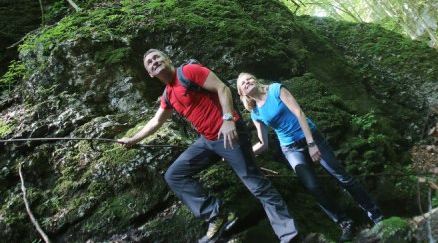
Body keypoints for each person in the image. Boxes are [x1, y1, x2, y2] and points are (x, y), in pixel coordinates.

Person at [118, 50, 298, 243]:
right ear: (150, 74)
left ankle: (289, 236)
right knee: (174, 175)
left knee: (257, 185)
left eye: (157, 58)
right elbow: (156, 121)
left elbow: (222, 88)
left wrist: (228, 118)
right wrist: (132, 139)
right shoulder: (168, 95)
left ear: (168, 59)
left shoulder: (188, 72)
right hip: (208, 141)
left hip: (230, 134)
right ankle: (216, 214)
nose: (154, 62)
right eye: (150, 63)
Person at [237, 73, 383, 242]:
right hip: (290, 148)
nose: (247, 82)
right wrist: (240, 155)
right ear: (243, 93)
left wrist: (311, 144)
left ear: (256, 80)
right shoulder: (255, 112)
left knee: (341, 176)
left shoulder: (276, 89)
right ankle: (344, 222)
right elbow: (263, 143)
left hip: (310, 137)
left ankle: (375, 214)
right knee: (313, 187)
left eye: (248, 79)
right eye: (243, 83)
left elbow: (299, 113)